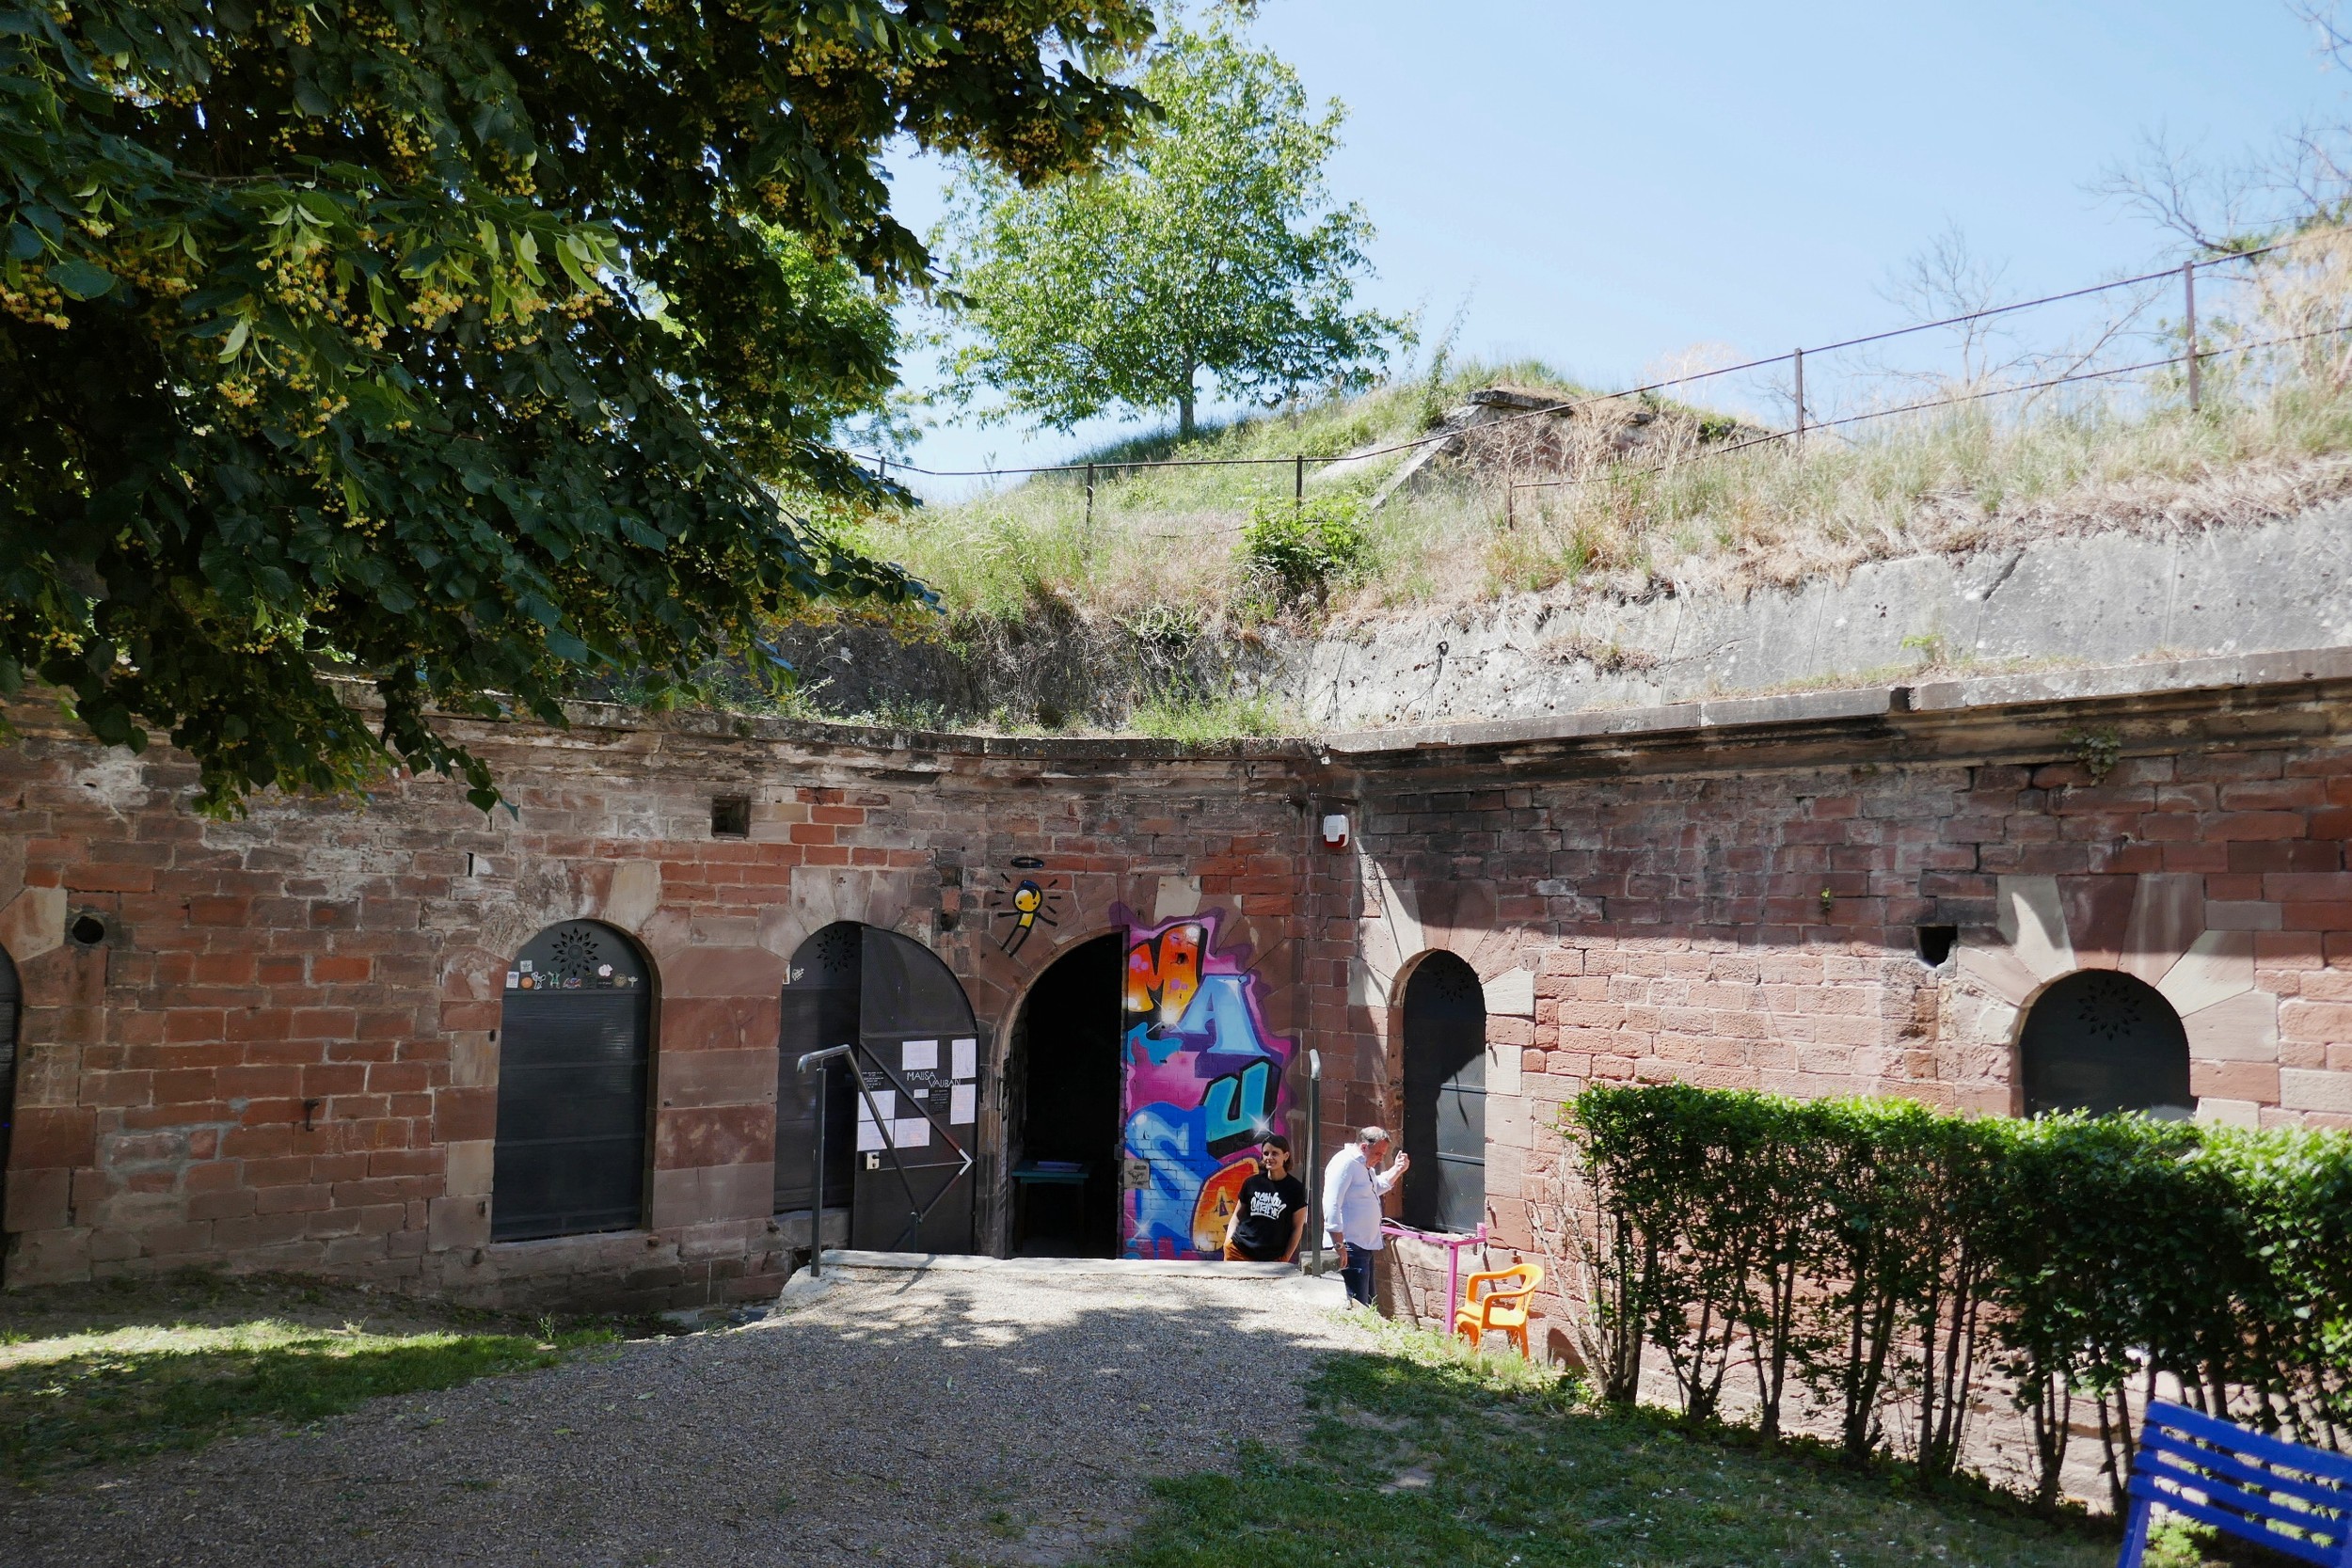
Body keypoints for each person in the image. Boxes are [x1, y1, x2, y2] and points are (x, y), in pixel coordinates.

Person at [1323, 1125, 1408, 1308]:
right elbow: (1331, 1203)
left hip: (1364, 1246)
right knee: (1357, 1306)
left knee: (1368, 1305)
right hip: (1350, 1245)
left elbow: (1375, 1187)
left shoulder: (1364, 1165)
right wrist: (1338, 1244)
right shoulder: (1346, 1163)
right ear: (1364, 1147)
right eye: (1378, 1154)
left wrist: (1398, 1169)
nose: (1380, 1159)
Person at [1223, 1135, 1309, 1262]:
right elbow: (1237, 1216)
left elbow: (1297, 1227)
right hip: (1238, 1252)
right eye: (1266, 1153)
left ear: (1286, 1156)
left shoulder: (1295, 1189)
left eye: (1275, 1153)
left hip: (1271, 1259)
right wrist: (1227, 1242)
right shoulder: (1251, 1183)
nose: (1269, 1158)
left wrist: (1285, 1257)